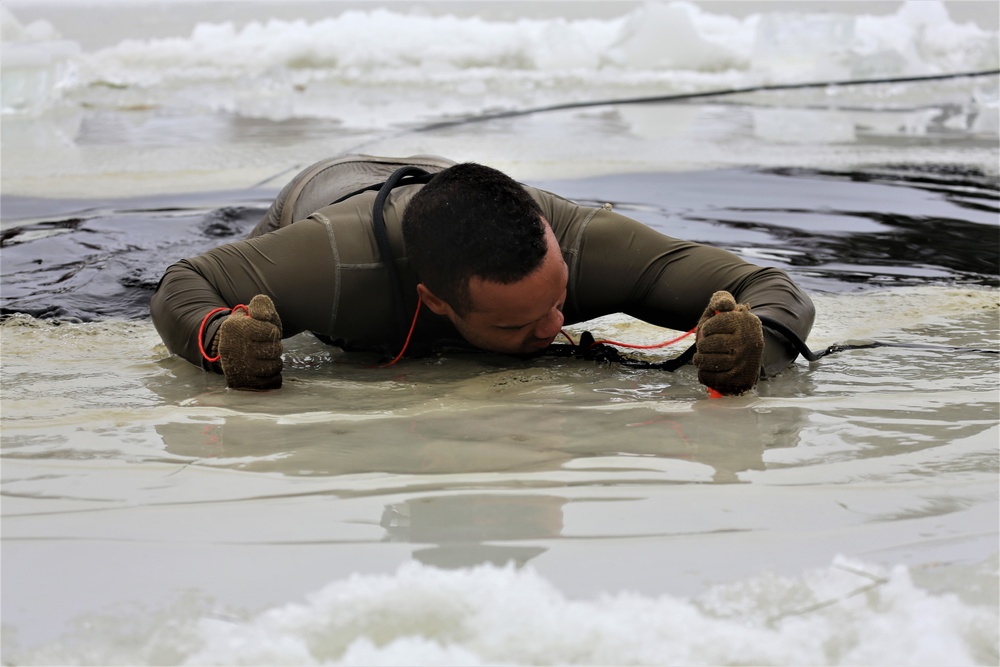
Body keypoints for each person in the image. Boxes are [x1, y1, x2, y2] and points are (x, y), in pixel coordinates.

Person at [150, 154, 815, 395]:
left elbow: (772, 287)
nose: (555, 325)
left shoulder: (580, 242)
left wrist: (757, 352)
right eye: (519, 322)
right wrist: (220, 338)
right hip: (328, 189)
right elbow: (182, 282)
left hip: (452, 185)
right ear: (434, 302)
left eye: (557, 300)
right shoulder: (331, 265)